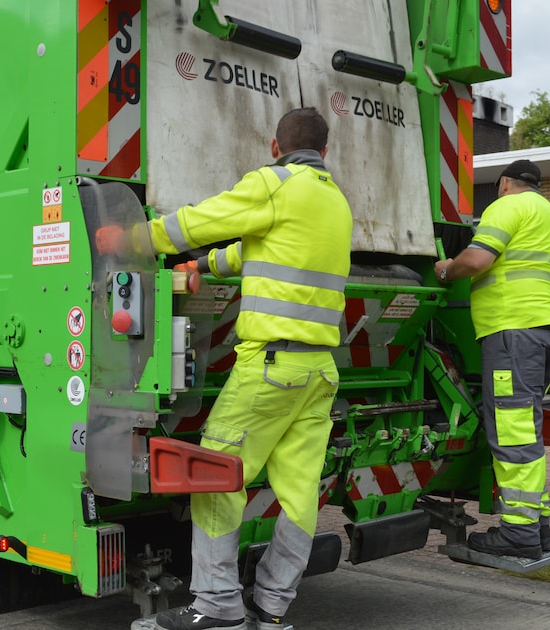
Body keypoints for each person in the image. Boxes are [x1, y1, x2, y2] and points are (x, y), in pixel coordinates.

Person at [146, 107, 352, 630]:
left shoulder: (274, 184)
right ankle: (271, 608)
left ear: (273, 146)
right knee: (300, 494)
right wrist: (204, 266)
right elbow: (254, 249)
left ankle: (216, 606)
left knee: (217, 474)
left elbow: (200, 221)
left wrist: (135, 241)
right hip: (319, 372)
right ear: (324, 153)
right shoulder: (334, 200)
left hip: (271, 367)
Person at [433, 159, 550, 560]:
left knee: (512, 431)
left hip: (513, 331)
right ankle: (536, 527)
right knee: (526, 431)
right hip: (543, 332)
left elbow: (477, 260)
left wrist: (445, 270)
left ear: (505, 183)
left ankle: (519, 533)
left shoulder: (507, 206)